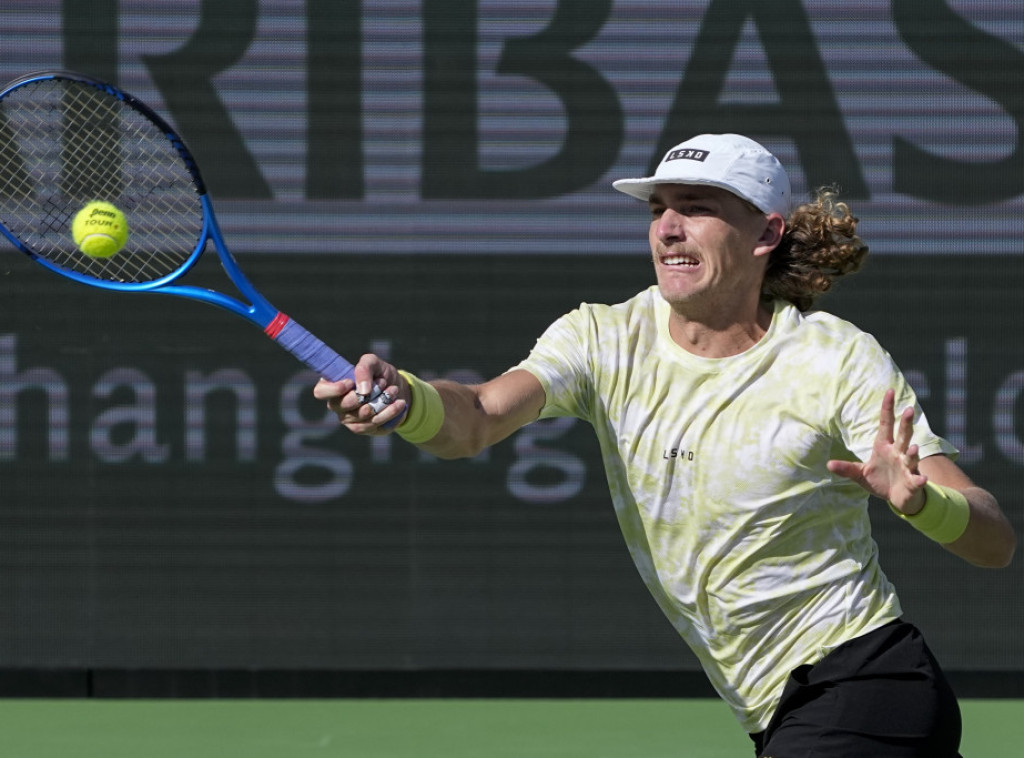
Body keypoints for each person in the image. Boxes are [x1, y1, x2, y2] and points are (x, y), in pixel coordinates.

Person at [314, 133, 1016, 757]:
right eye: (658, 210)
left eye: (697, 207)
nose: (669, 228)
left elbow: (994, 543)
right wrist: (407, 399)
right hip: (776, 710)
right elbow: (475, 418)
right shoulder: (601, 338)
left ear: (766, 233)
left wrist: (921, 504)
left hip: (868, 684)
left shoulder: (836, 359)